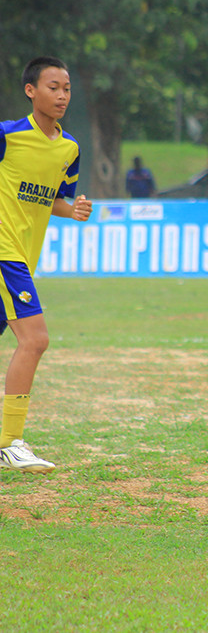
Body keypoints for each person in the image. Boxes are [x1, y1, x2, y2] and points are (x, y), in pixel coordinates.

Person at [0, 56, 93, 473]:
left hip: (23, 254)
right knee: (35, 340)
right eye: (53, 86)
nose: (61, 95)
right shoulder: (6, 137)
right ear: (30, 91)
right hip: (5, 253)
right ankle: (8, 443)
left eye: (67, 88)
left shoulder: (69, 148)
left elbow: (51, 197)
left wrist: (71, 209)